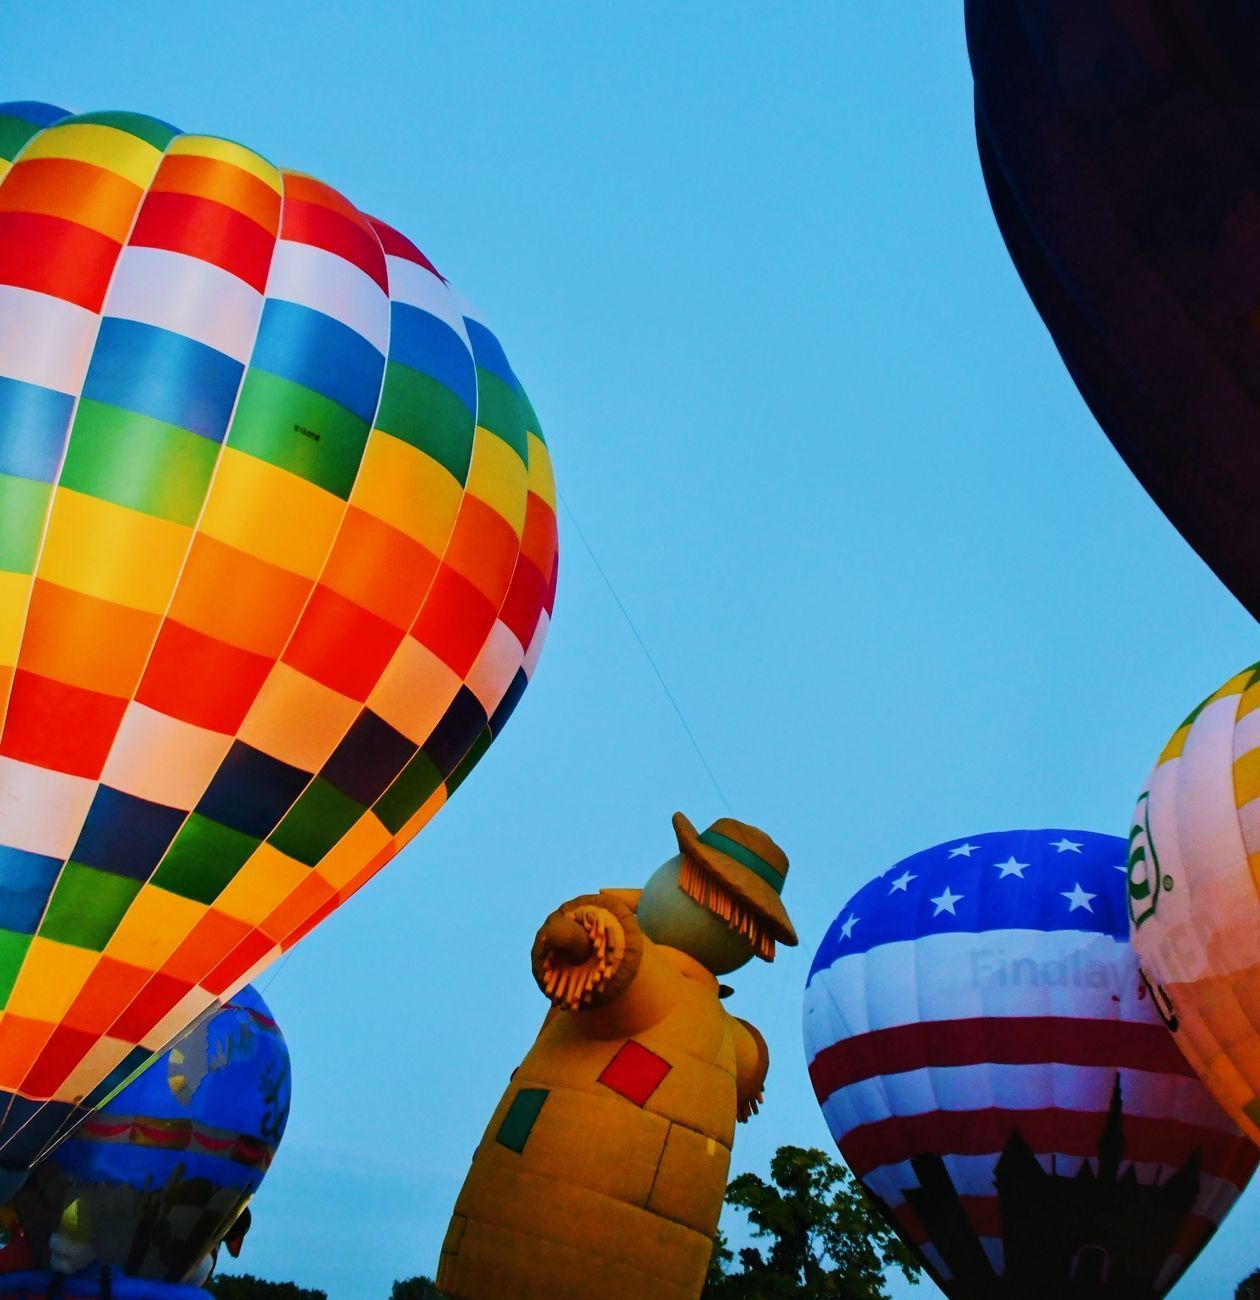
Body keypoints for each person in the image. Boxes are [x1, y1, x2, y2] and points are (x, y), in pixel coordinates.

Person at [437, 812, 797, 1300]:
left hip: (526, 1238)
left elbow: (587, 940)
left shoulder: (650, 981)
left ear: (687, 884)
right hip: (654, 1268)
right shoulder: (719, 1031)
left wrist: (605, 914)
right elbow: (753, 1062)